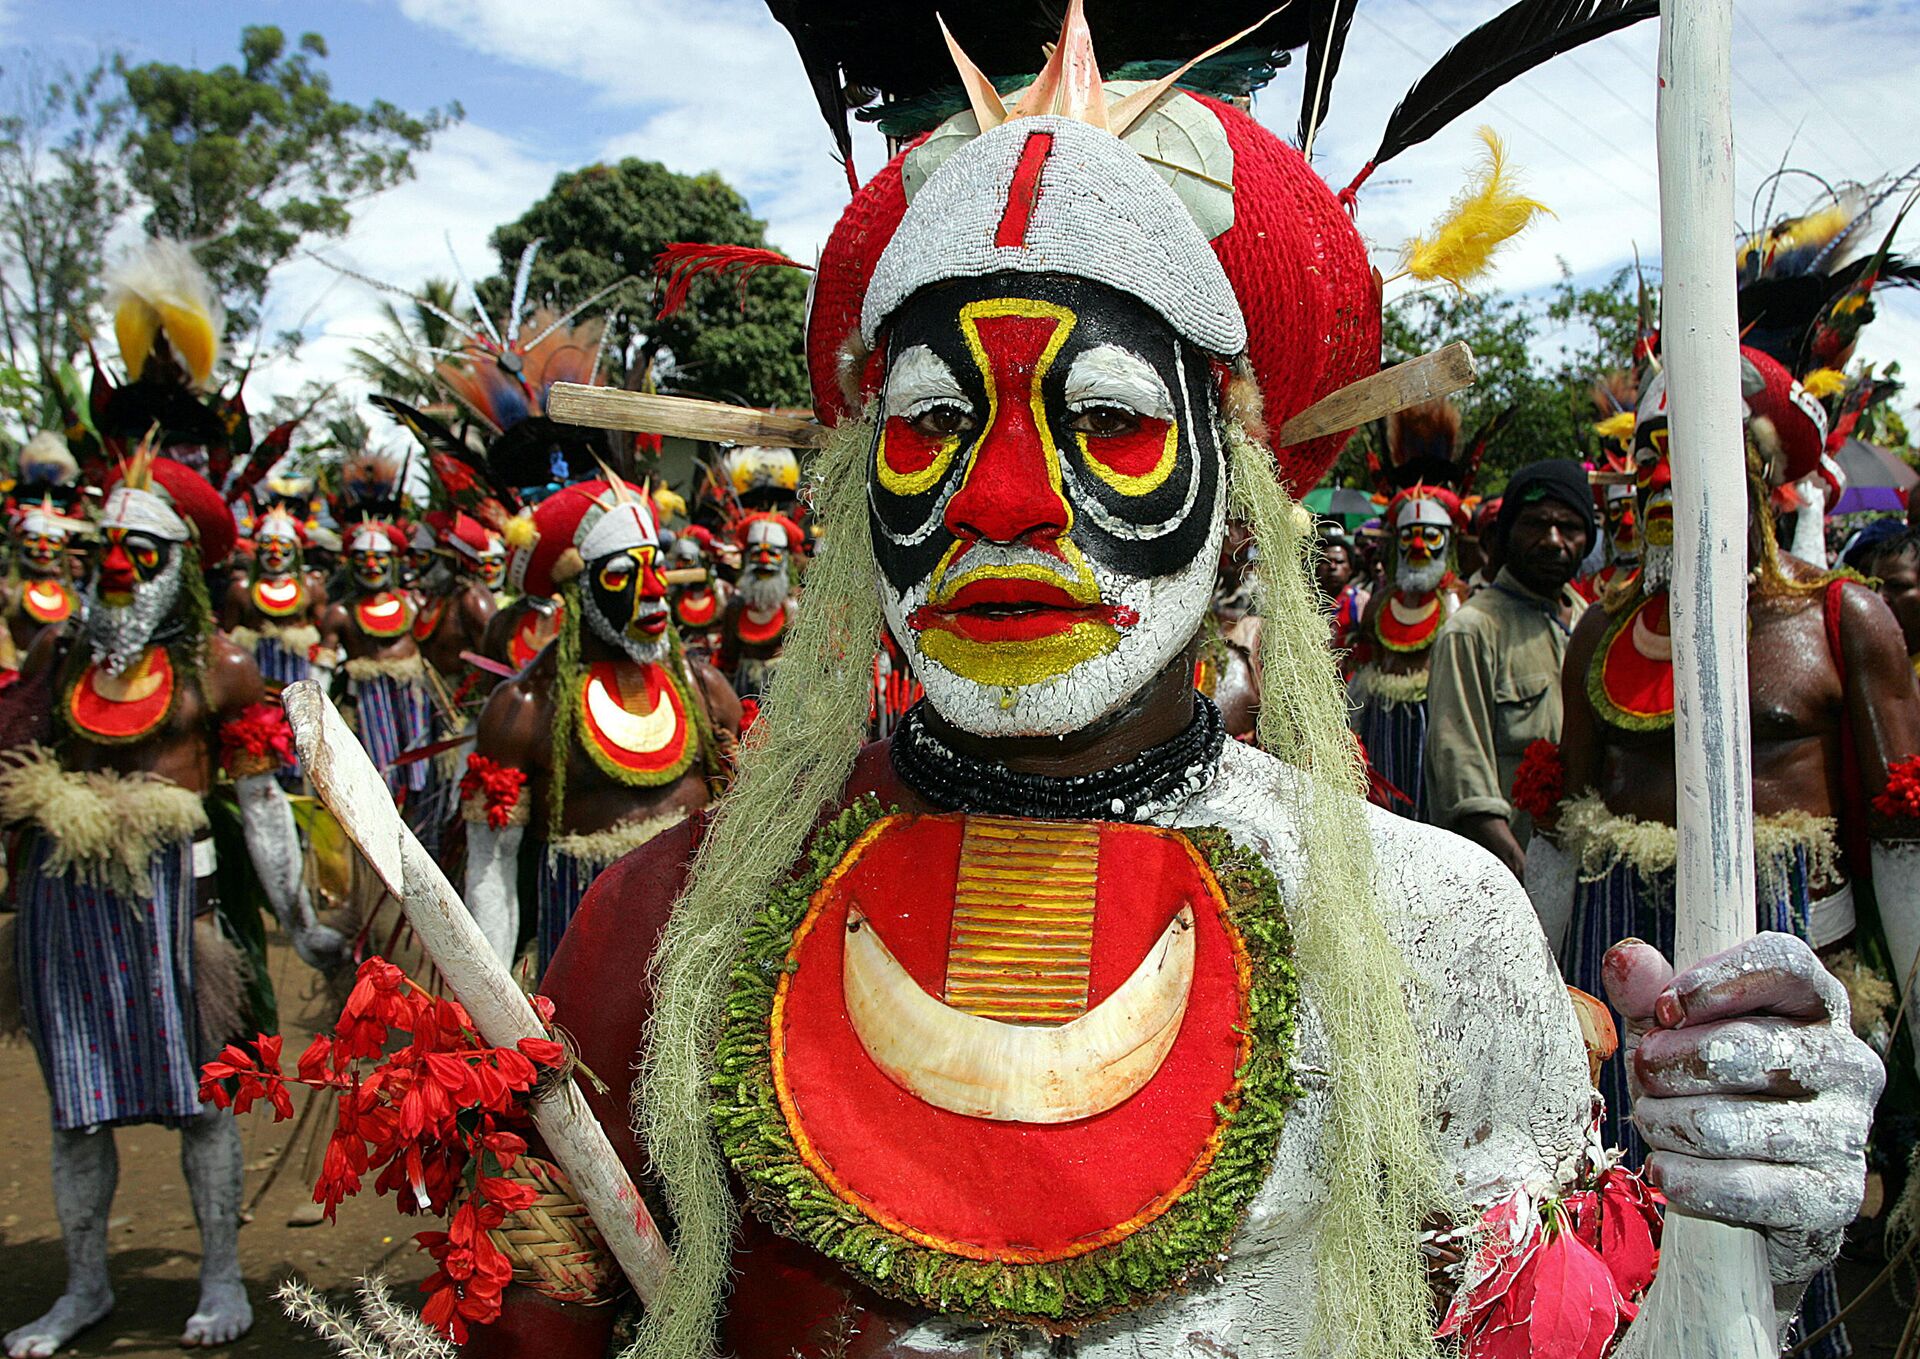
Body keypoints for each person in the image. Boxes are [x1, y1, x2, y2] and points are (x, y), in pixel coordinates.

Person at [419, 11, 1871, 1357]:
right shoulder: (668, 929)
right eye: (932, 422)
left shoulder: (1436, 929)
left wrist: (1743, 1251)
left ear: (1239, 502)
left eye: (1107, 417)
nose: (1001, 500)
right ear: (865, 497)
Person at [2, 240, 342, 1354]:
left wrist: (296, 919)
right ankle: (87, 1284)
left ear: (182, 568)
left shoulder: (221, 673)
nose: (114, 572)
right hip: (65, 917)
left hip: (174, 919)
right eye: (106, 553)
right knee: (74, 1110)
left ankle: (222, 1279)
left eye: (139, 559)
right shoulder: (55, 661)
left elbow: (255, 810)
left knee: (199, 1103)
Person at [1546, 347, 1920, 1357]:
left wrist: (1907, 1014)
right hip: (1618, 971)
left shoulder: (1840, 618)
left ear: (1756, 474)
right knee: (1615, 1214)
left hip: (1787, 967)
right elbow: (1564, 815)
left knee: (1771, 1235)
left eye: (1693, 464)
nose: (1669, 490)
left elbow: (1898, 827)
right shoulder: (1600, 632)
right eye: (1652, 471)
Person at [461, 477, 740, 975]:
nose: (654, 591)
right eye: (621, 575)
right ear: (578, 587)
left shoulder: (704, 688)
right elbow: (492, 869)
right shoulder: (523, 708)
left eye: (655, 567)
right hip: (583, 968)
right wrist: (493, 1003)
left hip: (695, 963)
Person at [1423, 459, 1593, 875]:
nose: (1553, 541)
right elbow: (1461, 769)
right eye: (1536, 523)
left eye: (1569, 527)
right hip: (1508, 872)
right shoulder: (1472, 630)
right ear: (1506, 535)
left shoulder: (1595, 623)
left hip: (1587, 869)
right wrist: (1518, 869)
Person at [1348, 460, 1472, 820]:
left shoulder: (1457, 603)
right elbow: (1364, 662)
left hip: (1433, 725)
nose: (1418, 546)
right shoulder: (1380, 603)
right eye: (1409, 535)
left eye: (1430, 536)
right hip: (1382, 726)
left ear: (1448, 542)